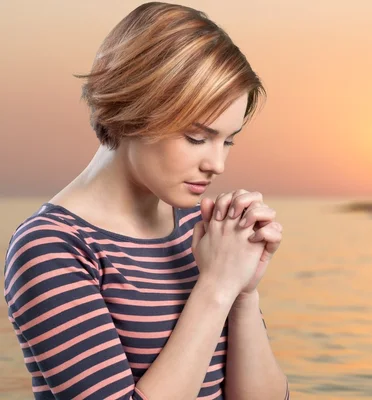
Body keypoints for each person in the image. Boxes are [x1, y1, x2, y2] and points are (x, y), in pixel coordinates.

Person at [3, 2, 290, 399]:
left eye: (228, 141)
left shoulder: (200, 229)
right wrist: (217, 287)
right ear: (136, 110)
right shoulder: (52, 248)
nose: (218, 164)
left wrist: (243, 292)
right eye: (196, 138)